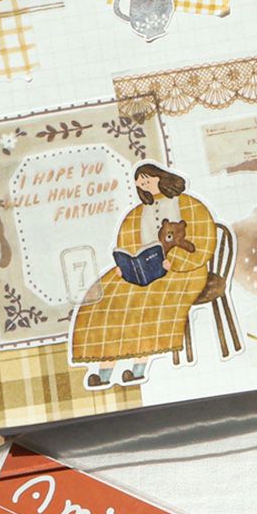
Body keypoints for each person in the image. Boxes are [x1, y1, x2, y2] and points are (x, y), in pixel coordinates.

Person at [71, 163, 212, 389]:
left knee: (144, 303)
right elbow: (126, 242)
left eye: (147, 180)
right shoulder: (137, 212)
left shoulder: (188, 204)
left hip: (182, 271)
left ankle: (139, 368)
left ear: (160, 177)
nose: (145, 185)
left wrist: (174, 262)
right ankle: (104, 371)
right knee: (105, 297)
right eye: (141, 183)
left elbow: (203, 239)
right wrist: (124, 265)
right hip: (144, 269)